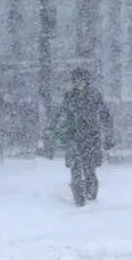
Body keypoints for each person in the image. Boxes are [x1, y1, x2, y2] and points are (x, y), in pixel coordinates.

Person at [44, 67, 115, 207]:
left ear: (84, 80)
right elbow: (60, 113)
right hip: (72, 137)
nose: (74, 82)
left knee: (89, 168)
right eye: (73, 79)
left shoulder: (94, 95)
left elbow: (105, 116)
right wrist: (51, 128)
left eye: (76, 79)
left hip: (90, 137)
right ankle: (79, 196)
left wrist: (109, 135)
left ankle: (91, 194)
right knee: (74, 166)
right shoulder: (69, 96)